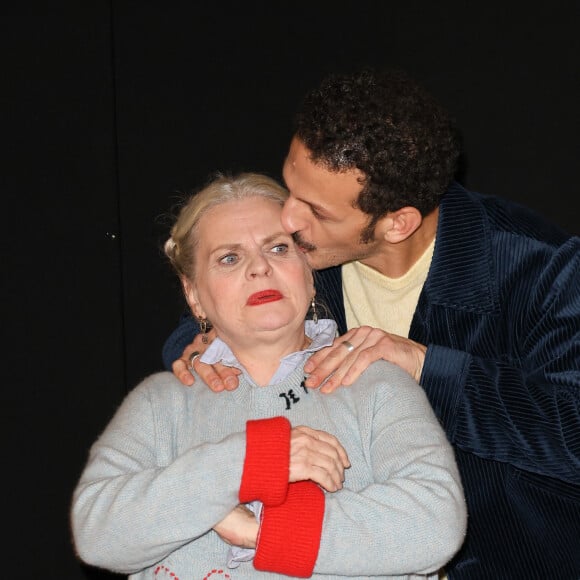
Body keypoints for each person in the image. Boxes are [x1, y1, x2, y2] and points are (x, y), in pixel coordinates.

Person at [163, 70, 580, 579]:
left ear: (396, 223)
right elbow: (210, 313)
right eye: (290, 188)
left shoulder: (540, 268)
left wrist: (427, 367)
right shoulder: (307, 249)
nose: (288, 218)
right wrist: (198, 346)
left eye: (314, 210)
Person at [71, 172, 466, 579]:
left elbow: (435, 522)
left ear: (309, 274)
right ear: (193, 294)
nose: (259, 268)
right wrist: (255, 462)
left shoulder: (376, 383)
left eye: (278, 248)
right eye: (230, 257)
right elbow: (96, 532)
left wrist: (262, 531)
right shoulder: (161, 400)